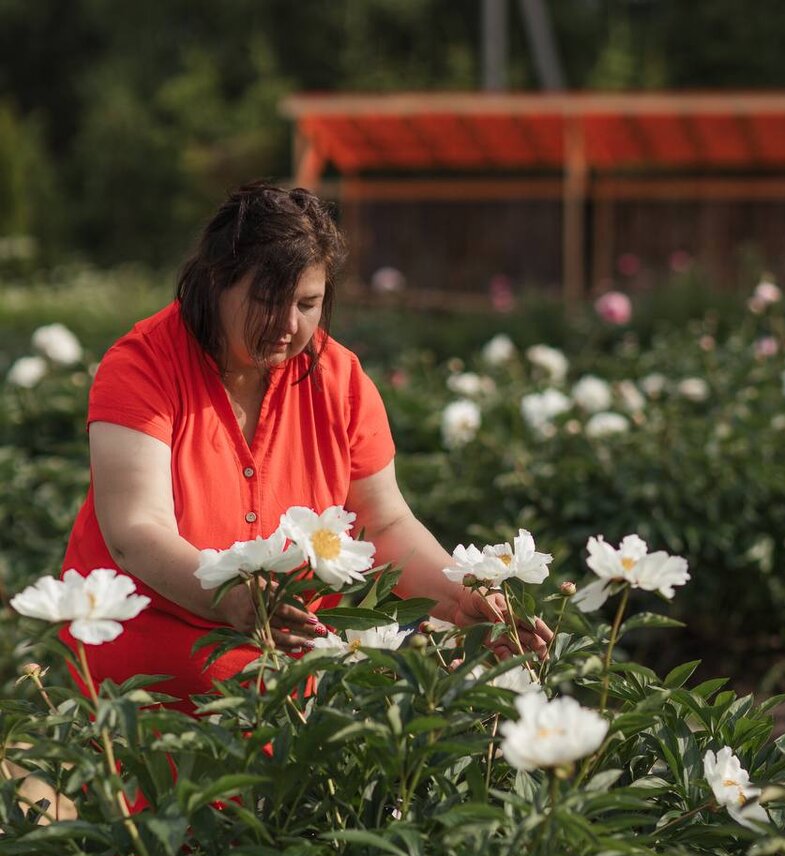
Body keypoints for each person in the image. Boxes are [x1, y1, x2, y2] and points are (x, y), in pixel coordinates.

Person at [62, 181, 551, 712]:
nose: (288, 325)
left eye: (308, 303)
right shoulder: (142, 367)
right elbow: (136, 530)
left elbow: (381, 523)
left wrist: (461, 597)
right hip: (135, 698)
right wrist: (229, 595)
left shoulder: (339, 378)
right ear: (215, 283)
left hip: (290, 695)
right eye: (267, 301)